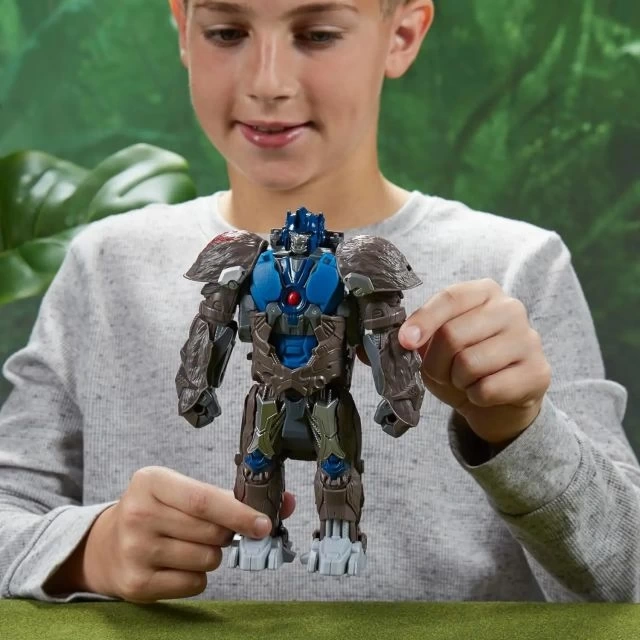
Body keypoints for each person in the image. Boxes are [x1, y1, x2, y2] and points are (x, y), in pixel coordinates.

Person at [0, 0, 638, 605]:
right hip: (269, 395)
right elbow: (13, 506)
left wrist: (515, 428)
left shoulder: (513, 269)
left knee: (336, 469)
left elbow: (626, 577)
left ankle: (337, 535)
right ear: (183, 26)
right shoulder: (107, 266)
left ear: (402, 34)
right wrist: (87, 550)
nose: (268, 83)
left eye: (317, 34)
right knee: (258, 465)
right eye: (228, 32)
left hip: (330, 395)